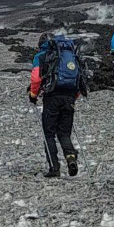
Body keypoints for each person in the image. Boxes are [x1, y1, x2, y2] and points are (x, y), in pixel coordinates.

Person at [29, 32, 88, 178]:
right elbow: (79, 78)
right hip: (70, 98)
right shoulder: (68, 54)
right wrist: (73, 96)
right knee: (64, 133)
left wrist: (33, 95)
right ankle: (70, 157)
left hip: (52, 97)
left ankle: (54, 168)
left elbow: (36, 78)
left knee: (49, 133)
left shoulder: (42, 56)